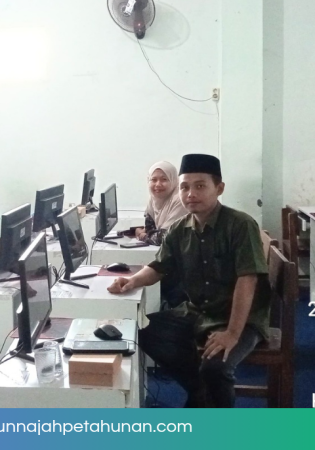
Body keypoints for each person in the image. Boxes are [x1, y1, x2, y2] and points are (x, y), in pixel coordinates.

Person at [107, 154, 270, 408]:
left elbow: (247, 280)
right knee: (143, 332)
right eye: (184, 187)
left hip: (240, 318)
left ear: (219, 188)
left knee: (216, 368)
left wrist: (232, 334)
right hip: (198, 312)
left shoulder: (240, 225)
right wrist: (131, 280)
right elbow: (159, 267)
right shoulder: (179, 229)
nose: (190, 194)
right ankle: (198, 389)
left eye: (200, 186)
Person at [134, 161, 188, 246]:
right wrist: (146, 233)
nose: (158, 184)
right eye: (154, 180)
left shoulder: (180, 200)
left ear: (174, 180)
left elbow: (165, 238)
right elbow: (149, 228)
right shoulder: (154, 198)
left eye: (164, 179)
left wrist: (142, 236)